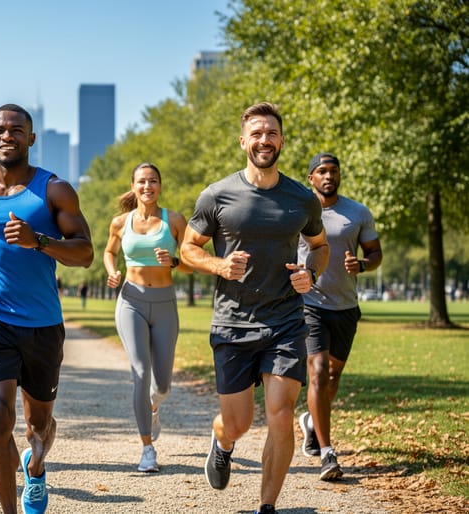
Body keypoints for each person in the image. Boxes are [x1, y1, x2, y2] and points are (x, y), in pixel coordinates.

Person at [179, 102, 329, 514]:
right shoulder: (217, 194)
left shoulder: (302, 198)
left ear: (282, 140)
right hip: (233, 323)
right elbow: (187, 248)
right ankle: (223, 441)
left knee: (281, 415)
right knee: (239, 422)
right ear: (244, 140)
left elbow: (319, 247)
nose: (265, 140)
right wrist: (219, 265)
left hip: (284, 321)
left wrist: (310, 274)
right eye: (257, 133)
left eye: (272, 133)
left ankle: (267, 507)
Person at [0, 104, 93, 514]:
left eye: (17, 130)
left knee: (38, 426)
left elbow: (85, 253)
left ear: (31, 139)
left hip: (42, 323)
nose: (7, 135)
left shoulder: (54, 189)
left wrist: (39, 241)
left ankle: (37, 463)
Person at [297, 153, 382, 481]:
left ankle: (310, 421)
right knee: (317, 371)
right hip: (309, 303)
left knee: (332, 378)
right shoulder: (300, 211)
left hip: (345, 306)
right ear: (311, 178)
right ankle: (328, 452)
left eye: (333, 170)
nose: (328, 176)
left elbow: (375, 253)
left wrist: (362, 264)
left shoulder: (357, 212)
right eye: (321, 171)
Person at [103, 162, 191, 473]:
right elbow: (109, 252)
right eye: (142, 181)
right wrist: (113, 272)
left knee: (162, 384)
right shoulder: (120, 222)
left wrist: (175, 261)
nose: (147, 186)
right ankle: (147, 449)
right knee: (140, 372)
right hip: (131, 301)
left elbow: (192, 262)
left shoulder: (176, 221)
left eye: (153, 181)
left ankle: (154, 406)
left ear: (160, 186)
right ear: (134, 186)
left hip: (165, 303)